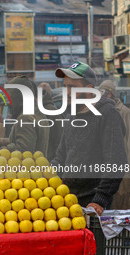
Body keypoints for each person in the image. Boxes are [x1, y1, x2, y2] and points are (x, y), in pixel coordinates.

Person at [52, 62, 127, 215]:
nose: (67, 92)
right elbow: (61, 158)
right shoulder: (71, 115)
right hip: (69, 201)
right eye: (65, 86)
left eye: (72, 87)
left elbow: (116, 161)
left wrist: (100, 199)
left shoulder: (108, 114)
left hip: (93, 208)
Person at [99, 80, 130, 210]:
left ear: (112, 94)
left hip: (122, 161)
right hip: (105, 163)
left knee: (120, 198)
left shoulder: (124, 112)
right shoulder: (100, 110)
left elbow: (128, 140)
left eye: (106, 92)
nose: (104, 95)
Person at [7, 76, 50, 156]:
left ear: (18, 97)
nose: (8, 103)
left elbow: (23, 154)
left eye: (10, 98)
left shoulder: (26, 119)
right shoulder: (38, 114)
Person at [38, 83, 64, 161]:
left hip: (44, 160)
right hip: (50, 160)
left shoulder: (35, 112)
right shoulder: (55, 112)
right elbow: (60, 140)